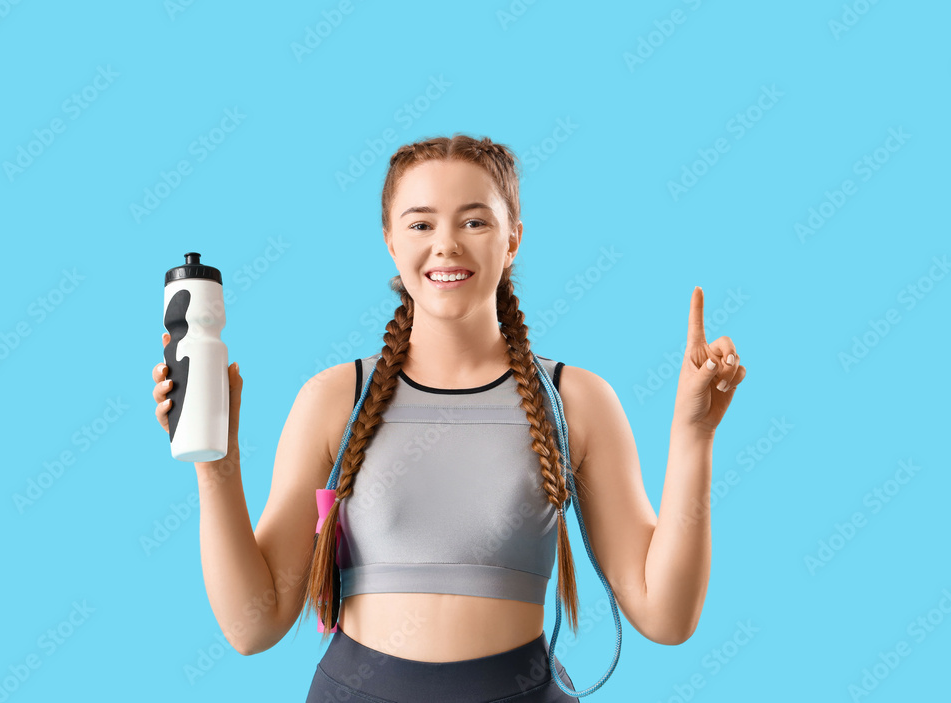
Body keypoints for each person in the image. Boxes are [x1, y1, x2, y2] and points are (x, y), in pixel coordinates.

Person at [150, 134, 746, 702]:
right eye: (420, 222)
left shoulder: (576, 400)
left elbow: (666, 617)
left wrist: (695, 434)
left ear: (513, 238)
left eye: (474, 220)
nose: (446, 243)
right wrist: (216, 462)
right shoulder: (333, 399)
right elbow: (253, 628)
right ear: (390, 239)